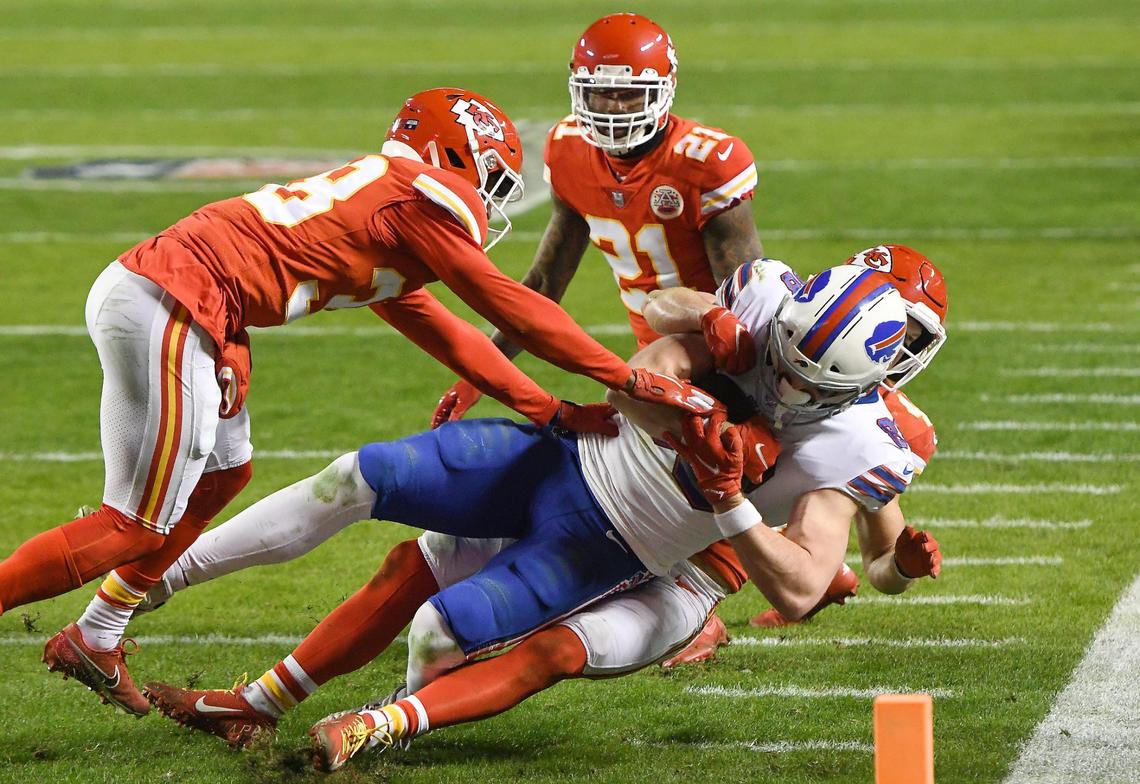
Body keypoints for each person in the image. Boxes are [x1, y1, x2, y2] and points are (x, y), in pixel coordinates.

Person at [0, 86, 710, 717]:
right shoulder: (418, 197)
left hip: (199, 308)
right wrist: (625, 378)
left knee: (223, 477)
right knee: (133, 527)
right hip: (175, 302)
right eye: (489, 176)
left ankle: (96, 635)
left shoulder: (382, 208)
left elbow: (452, 333)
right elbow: (512, 306)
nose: (491, 199)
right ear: (451, 154)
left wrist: (546, 409)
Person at [140, 260, 922, 765]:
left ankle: (382, 726)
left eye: (808, 380)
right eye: (782, 356)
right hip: (569, 458)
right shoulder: (765, 302)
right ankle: (151, 583)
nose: (782, 385)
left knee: (446, 627)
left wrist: (724, 500)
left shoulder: (865, 441)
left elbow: (802, 584)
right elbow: (639, 367)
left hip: (636, 551)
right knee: (358, 476)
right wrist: (691, 371)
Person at [430, 10, 766, 666]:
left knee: (692, 477)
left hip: (714, 349)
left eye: (629, 91)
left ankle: (705, 602)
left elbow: (745, 294)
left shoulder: (708, 161)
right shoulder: (567, 150)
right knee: (633, 485)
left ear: (664, 90)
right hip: (647, 359)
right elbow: (545, 280)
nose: (613, 107)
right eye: (601, 91)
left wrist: (740, 381)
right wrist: (480, 369)